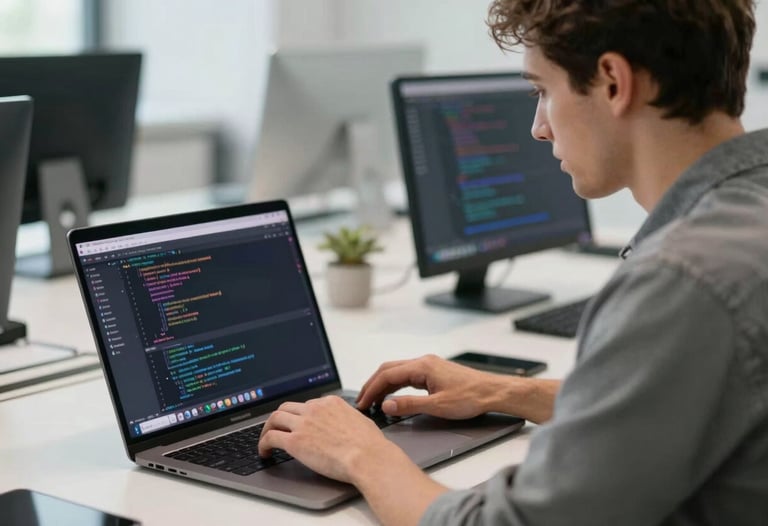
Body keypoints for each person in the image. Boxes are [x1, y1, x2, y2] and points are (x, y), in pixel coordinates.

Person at [258, 1, 768, 524]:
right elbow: (677, 403)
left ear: (614, 82)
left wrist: (357, 452)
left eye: (543, 91)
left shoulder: (683, 283)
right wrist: (506, 391)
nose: (539, 128)